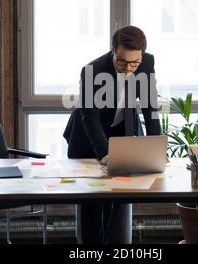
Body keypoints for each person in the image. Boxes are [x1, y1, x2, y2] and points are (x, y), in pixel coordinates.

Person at [63, 25, 162, 244]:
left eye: (134, 63)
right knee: (92, 208)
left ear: (142, 55)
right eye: (122, 61)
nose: (128, 69)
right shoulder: (92, 70)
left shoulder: (146, 64)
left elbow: (150, 108)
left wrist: (157, 147)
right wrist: (105, 154)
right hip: (90, 141)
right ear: (113, 50)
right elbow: (89, 117)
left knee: (119, 206)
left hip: (122, 135)